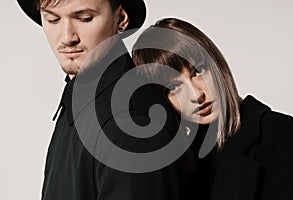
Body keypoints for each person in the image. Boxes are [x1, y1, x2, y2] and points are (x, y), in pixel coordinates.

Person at [17, 1, 187, 200]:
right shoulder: (80, 98)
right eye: (53, 19)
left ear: (120, 19)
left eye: (85, 18)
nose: (66, 37)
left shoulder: (133, 124)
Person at [132, 18, 293, 200]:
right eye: (173, 88)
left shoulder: (280, 133)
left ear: (216, 63)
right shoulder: (174, 164)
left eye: (198, 71)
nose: (196, 95)